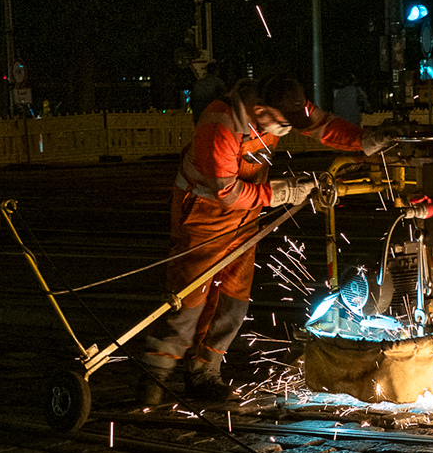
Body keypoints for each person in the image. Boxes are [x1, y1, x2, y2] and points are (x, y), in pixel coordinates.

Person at [135, 74, 391, 407]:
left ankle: (203, 373)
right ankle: (156, 372)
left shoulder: (281, 102)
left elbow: (321, 125)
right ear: (259, 110)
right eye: (283, 123)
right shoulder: (220, 126)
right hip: (204, 212)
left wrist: (365, 140)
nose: (288, 129)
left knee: (232, 297)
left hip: (246, 213)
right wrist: (279, 193)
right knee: (191, 297)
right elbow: (225, 192)